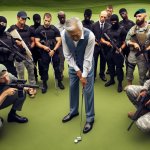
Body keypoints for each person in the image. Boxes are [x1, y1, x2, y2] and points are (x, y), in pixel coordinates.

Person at [61, 17, 95, 134]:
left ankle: (90, 118)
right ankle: (73, 111)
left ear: (81, 28)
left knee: (87, 90)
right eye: (71, 35)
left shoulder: (90, 36)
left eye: (76, 34)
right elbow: (67, 55)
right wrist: (76, 69)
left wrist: (84, 75)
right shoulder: (64, 34)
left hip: (87, 64)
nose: (74, 38)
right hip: (73, 63)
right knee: (72, 87)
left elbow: (87, 58)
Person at [7, 11, 36, 97]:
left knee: (31, 72)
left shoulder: (29, 28)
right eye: (22, 18)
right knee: (20, 74)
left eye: (25, 19)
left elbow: (33, 41)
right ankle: (22, 90)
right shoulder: (12, 29)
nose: (24, 20)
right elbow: (8, 41)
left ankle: (32, 88)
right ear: (17, 17)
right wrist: (15, 42)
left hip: (27, 54)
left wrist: (29, 47)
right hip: (18, 56)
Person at [35, 13, 65, 93]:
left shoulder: (54, 29)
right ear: (43, 19)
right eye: (45, 20)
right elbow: (37, 42)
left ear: (50, 20)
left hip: (54, 52)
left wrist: (54, 50)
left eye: (48, 21)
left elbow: (59, 41)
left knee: (57, 68)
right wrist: (44, 47)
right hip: (44, 52)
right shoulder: (39, 29)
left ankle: (59, 82)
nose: (47, 22)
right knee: (44, 69)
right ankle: (44, 83)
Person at [101, 14, 127, 93]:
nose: (113, 23)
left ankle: (120, 83)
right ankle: (112, 80)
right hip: (109, 52)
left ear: (117, 21)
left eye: (115, 21)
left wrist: (121, 48)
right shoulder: (107, 29)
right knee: (110, 67)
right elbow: (102, 39)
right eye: (112, 21)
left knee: (119, 68)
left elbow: (125, 42)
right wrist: (106, 42)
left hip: (118, 52)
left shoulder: (122, 29)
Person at [125, 9, 150, 86]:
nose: (137, 18)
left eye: (139, 16)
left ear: (145, 16)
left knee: (142, 73)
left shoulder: (149, 28)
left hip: (144, 55)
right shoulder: (133, 29)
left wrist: (148, 48)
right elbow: (126, 40)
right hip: (133, 53)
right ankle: (129, 85)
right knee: (129, 71)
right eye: (136, 17)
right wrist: (133, 43)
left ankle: (142, 88)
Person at [92, 10, 111, 81]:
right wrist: (94, 42)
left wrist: (106, 42)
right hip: (95, 47)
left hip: (104, 47)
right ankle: (93, 76)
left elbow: (109, 37)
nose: (103, 18)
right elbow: (91, 36)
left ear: (107, 18)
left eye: (105, 17)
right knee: (94, 62)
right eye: (102, 16)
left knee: (103, 61)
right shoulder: (94, 25)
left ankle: (102, 74)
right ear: (99, 16)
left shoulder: (109, 26)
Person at [119, 8, 135, 74]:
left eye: (123, 13)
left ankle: (128, 73)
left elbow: (134, 35)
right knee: (120, 60)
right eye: (121, 14)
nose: (122, 15)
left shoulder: (132, 23)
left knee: (129, 61)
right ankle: (120, 74)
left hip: (129, 45)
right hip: (122, 45)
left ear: (126, 13)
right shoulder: (119, 23)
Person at [30, 14, 42, 82]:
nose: (38, 21)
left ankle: (42, 77)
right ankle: (35, 78)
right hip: (33, 51)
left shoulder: (42, 27)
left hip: (40, 51)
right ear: (34, 20)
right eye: (36, 20)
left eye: (39, 20)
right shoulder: (31, 28)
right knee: (33, 66)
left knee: (41, 66)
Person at [56, 11, 66, 80]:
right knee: (61, 60)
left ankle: (73, 74)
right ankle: (61, 73)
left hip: (69, 46)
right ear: (58, 18)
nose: (62, 19)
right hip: (61, 47)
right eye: (61, 17)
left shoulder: (69, 24)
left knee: (71, 60)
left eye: (63, 17)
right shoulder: (56, 27)